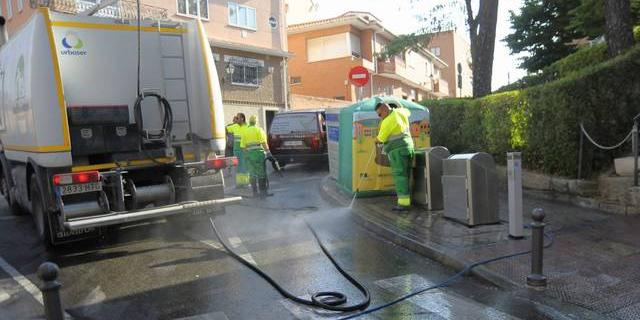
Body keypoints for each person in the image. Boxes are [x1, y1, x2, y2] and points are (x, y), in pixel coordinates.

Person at [375, 102, 414, 212]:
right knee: (407, 174)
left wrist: (376, 140)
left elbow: (380, 139)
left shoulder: (387, 121)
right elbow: (408, 111)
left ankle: (403, 204)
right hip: (408, 147)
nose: (380, 117)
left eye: (379, 114)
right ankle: (410, 199)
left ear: (385, 110)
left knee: (400, 175)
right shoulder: (400, 112)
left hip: (397, 151)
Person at [240, 115, 272, 198]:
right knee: (261, 173)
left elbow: (242, 147)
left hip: (249, 155)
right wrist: (268, 152)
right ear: (255, 121)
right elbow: (263, 142)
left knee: (252, 173)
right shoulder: (259, 130)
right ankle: (263, 193)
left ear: (249, 122)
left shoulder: (245, 131)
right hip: (258, 154)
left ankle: (255, 193)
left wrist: (246, 155)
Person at [226, 113, 249, 188]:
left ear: (242, 118)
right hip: (236, 150)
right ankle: (239, 184)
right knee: (238, 167)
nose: (236, 119)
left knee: (244, 166)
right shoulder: (234, 126)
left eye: (238, 118)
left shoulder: (247, 127)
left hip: (244, 149)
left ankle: (245, 183)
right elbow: (225, 129)